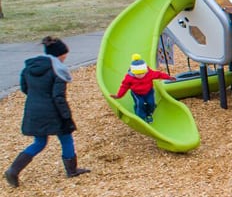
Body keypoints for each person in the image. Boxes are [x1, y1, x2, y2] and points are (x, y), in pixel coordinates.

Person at [5, 37, 91, 188]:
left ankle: (13, 170)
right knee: (66, 138)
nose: (65, 57)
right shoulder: (58, 71)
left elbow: (25, 88)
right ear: (59, 54)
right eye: (65, 54)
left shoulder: (29, 68)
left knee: (39, 142)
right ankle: (72, 170)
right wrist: (66, 116)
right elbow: (58, 97)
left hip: (33, 110)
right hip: (53, 111)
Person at [111, 54, 175, 123]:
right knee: (140, 103)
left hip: (149, 92)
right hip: (137, 93)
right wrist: (119, 95)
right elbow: (124, 86)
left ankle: (149, 114)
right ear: (133, 72)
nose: (140, 75)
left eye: (142, 73)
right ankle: (141, 117)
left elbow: (159, 74)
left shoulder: (149, 73)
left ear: (145, 71)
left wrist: (168, 77)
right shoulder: (129, 78)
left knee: (151, 103)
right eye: (138, 74)